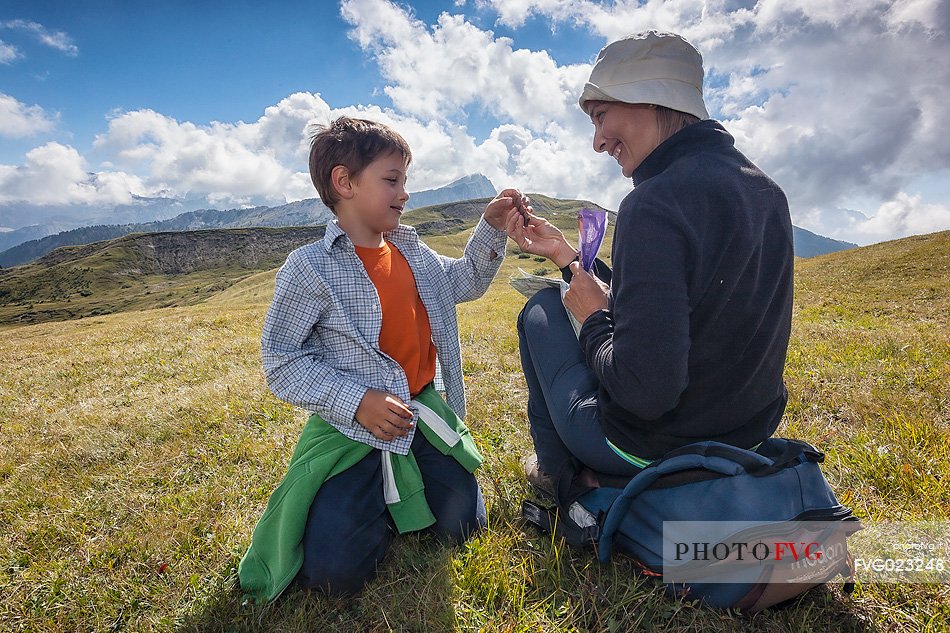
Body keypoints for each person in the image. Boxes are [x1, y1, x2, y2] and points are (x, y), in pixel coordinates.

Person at [239, 116, 524, 600]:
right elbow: (282, 360)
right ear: (344, 182)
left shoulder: (411, 250)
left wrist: (492, 228)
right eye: (392, 180)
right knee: (336, 577)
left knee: (465, 529)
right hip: (353, 428)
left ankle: (404, 489)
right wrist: (357, 401)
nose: (404, 192)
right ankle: (372, 502)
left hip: (420, 411)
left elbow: (464, 283)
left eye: (405, 181)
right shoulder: (310, 268)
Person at [508, 31, 794, 496]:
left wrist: (593, 320)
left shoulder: (653, 204)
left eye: (601, 117)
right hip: (746, 435)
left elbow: (644, 393)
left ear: (651, 98)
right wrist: (566, 256)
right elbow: (686, 301)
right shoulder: (766, 192)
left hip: (655, 446)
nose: (598, 142)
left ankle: (556, 475)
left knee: (540, 310)